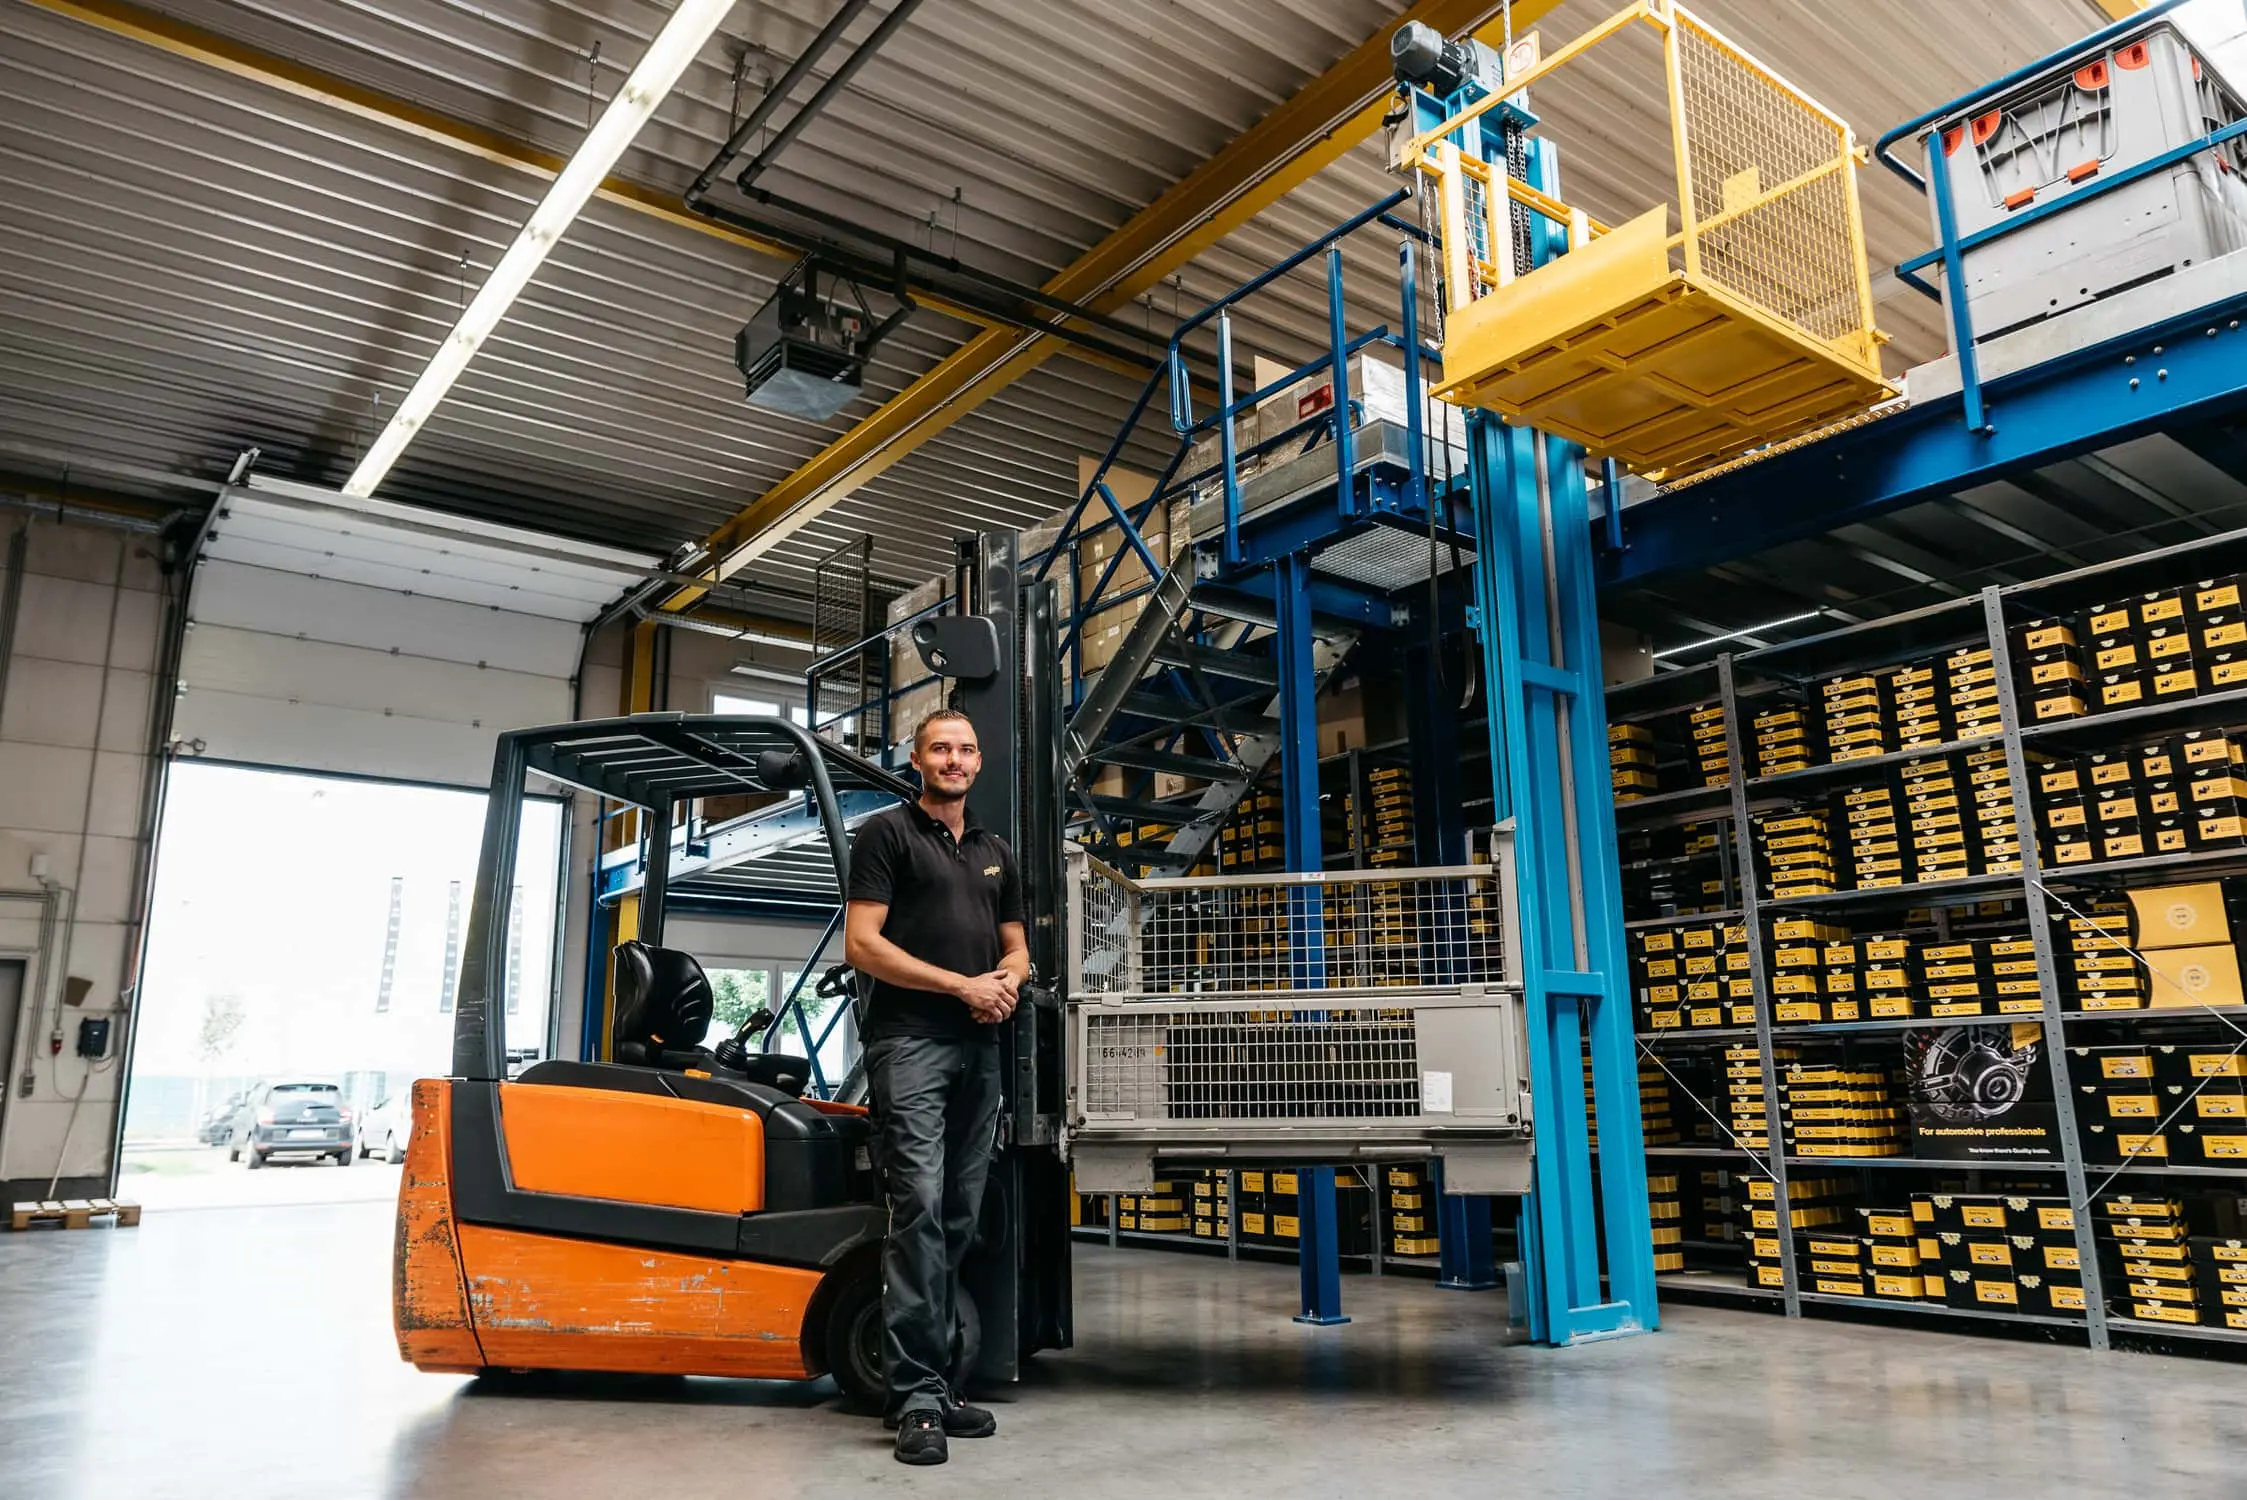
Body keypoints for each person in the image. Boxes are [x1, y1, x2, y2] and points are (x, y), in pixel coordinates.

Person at [842, 707, 1028, 1467]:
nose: (955, 760)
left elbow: (1017, 947)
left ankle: (938, 1382)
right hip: (911, 1043)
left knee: (956, 1214)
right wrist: (961, 986)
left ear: (978, 762)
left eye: (966, 749)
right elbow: (863, 945)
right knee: (917, 1207)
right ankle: (915, 1398)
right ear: (916, 760)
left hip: (979, 1046)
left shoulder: (994, 851)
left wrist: (1004, 984)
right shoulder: (886, 834)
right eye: (940, 749)